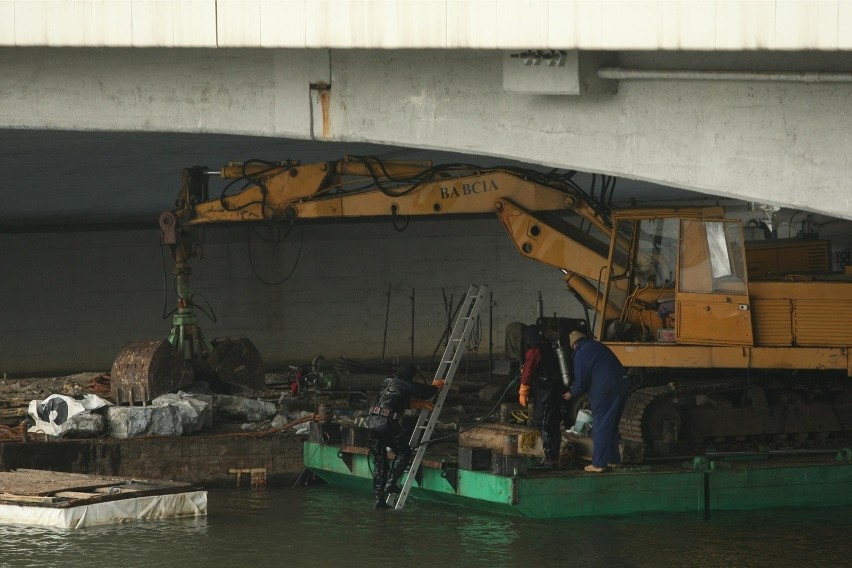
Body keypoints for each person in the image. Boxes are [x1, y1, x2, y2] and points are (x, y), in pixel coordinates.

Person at [365, 362, 444, 509]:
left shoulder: (387, 383)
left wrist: (419, 405)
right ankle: (391, 483)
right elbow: (424, 391)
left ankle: (379, 500)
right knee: (404, 452)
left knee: (380, 462)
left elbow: (397, 401)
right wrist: (436, 386)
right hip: (386, 423)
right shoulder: (402, 383)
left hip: (371, 423)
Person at [563, 331, 630, 473]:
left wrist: (570, 393)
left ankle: (599, 464)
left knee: (600, 424)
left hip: (606, 389)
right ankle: (613, 459)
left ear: (574, 344)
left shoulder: (581, 353)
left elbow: (581, 382)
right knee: (611, 425)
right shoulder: (597, 346)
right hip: (622, 384)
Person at [517, 324, 564, 469]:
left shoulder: (535, 351)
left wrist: (523, 390)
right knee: (554, 424)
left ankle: (550, 461)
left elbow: (528, 370)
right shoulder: (550, 347)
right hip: (556, 389)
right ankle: (553, 458)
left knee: (545, 424)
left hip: (545, 392)